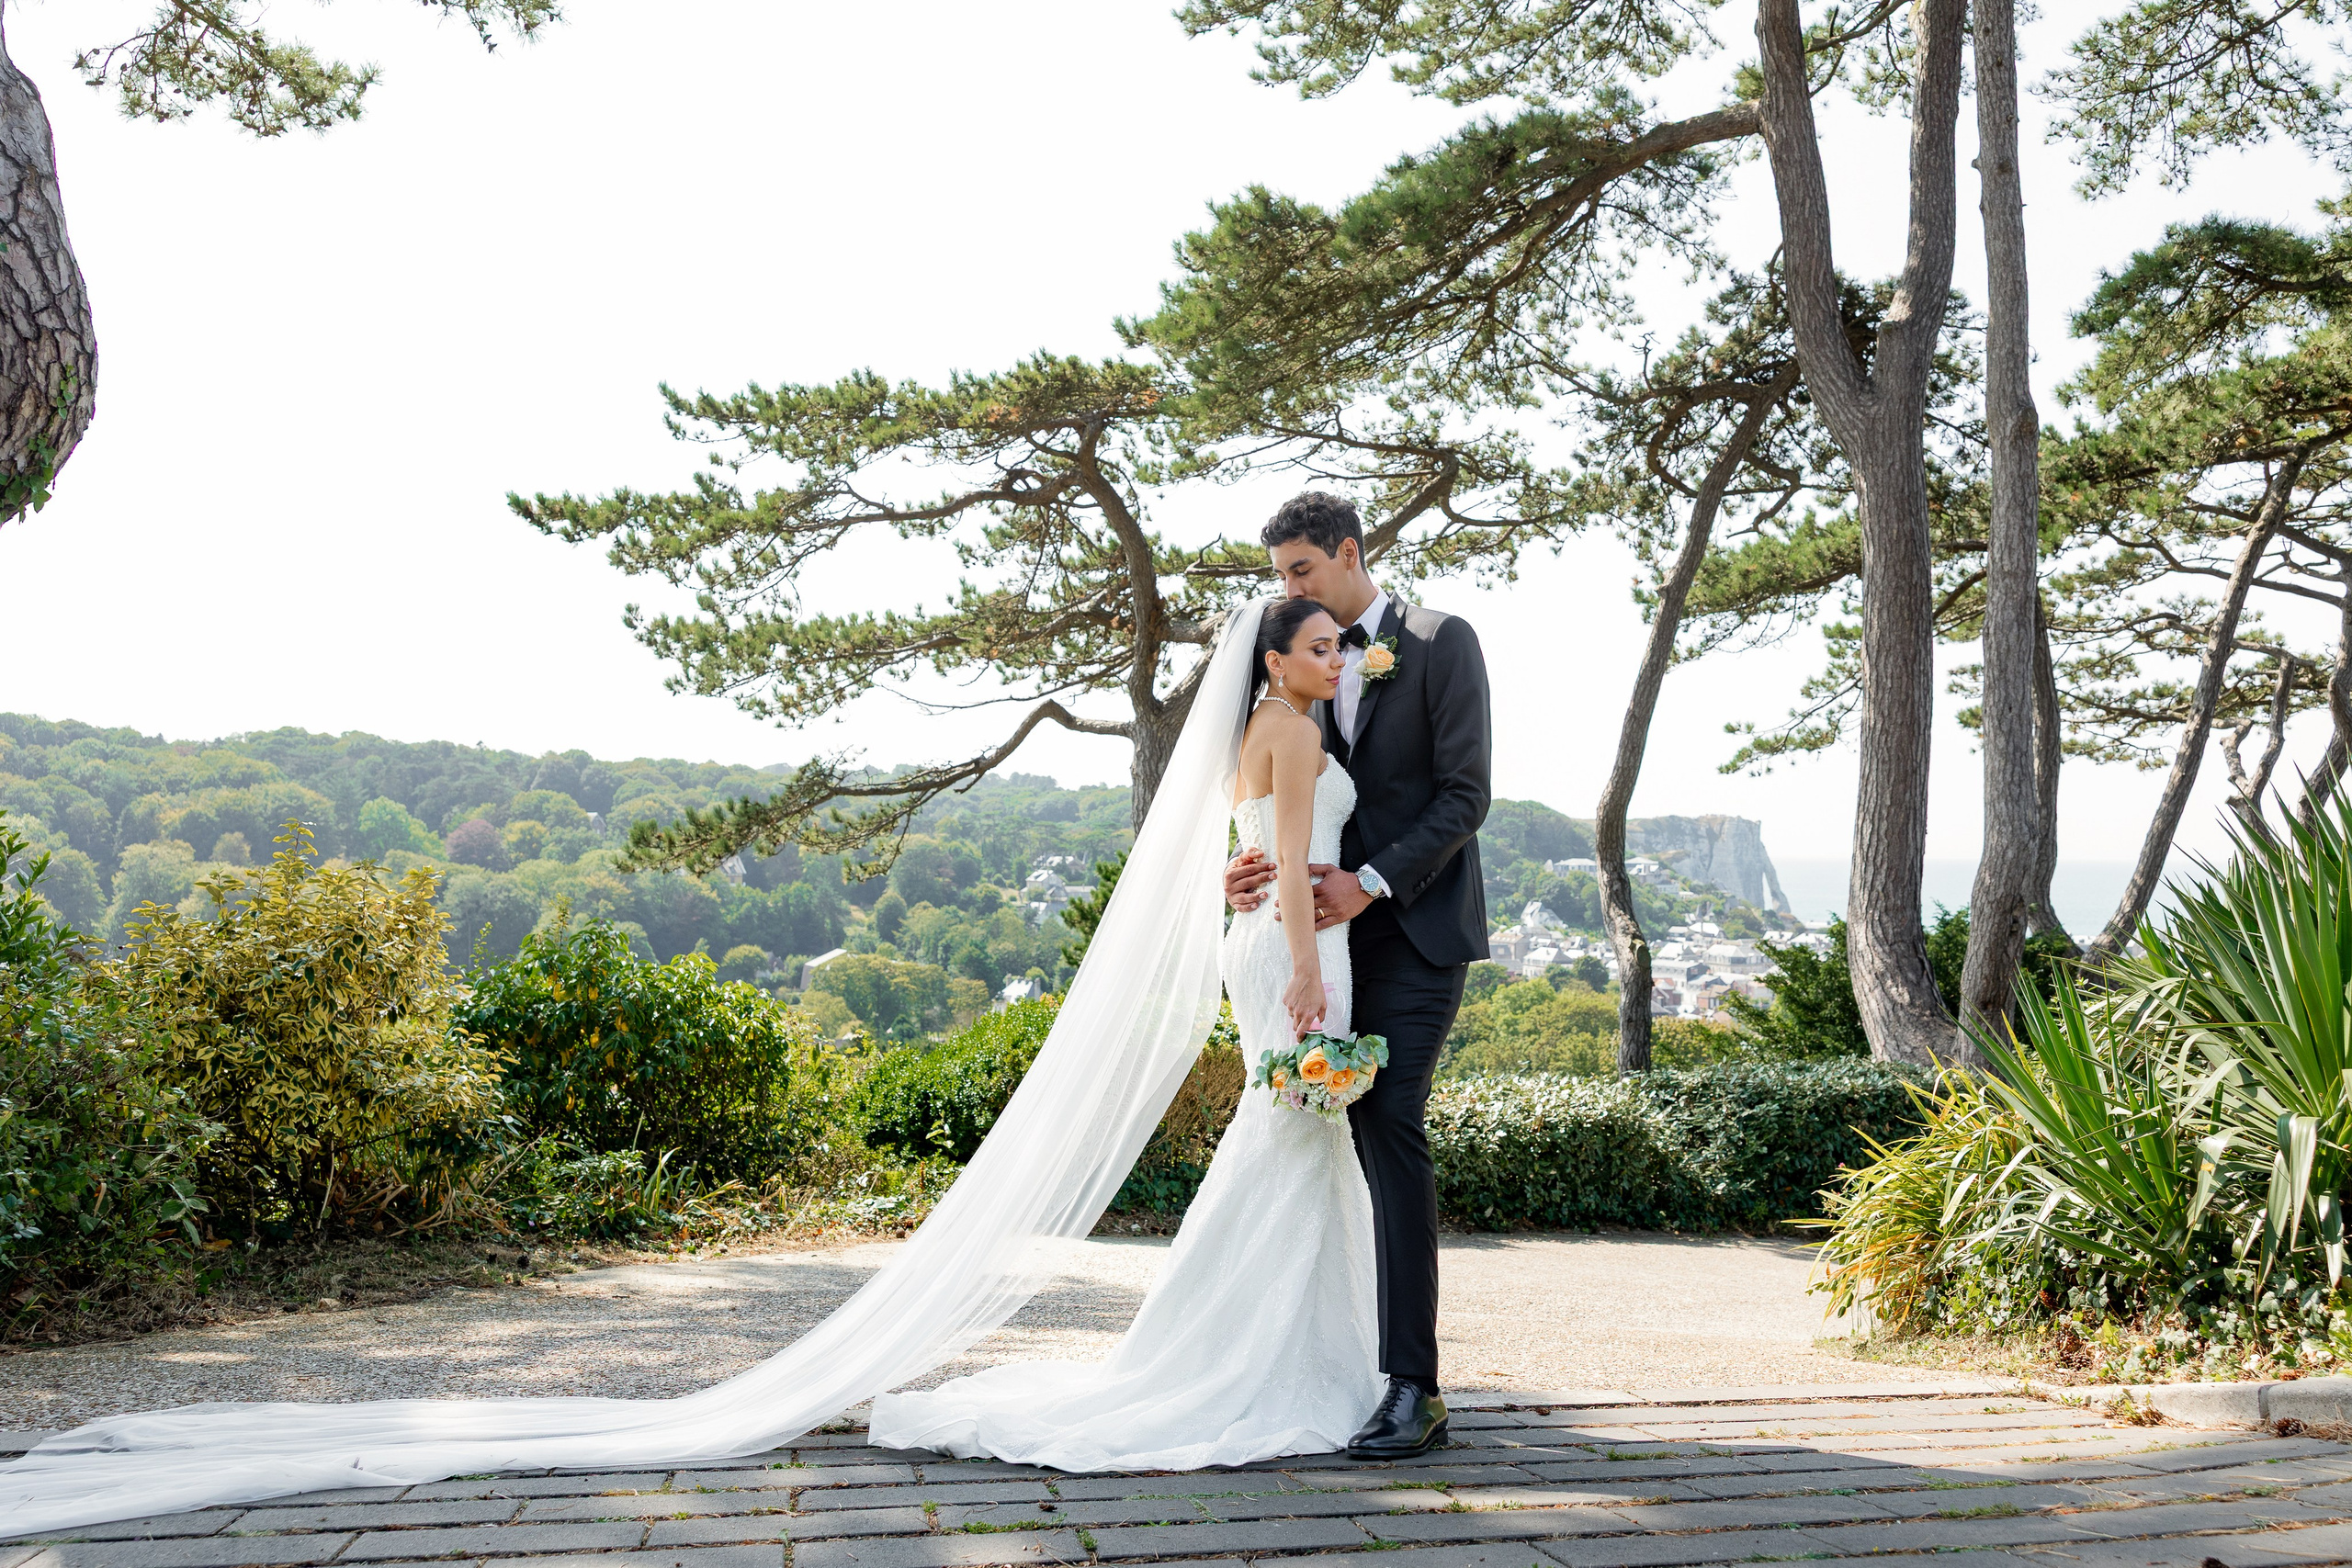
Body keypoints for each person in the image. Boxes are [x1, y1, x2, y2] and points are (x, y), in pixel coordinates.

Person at [870, 595, 1382, 1468]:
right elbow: (1289, 859)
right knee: (1297, 1133)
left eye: (1340, 648)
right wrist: (1304, 965)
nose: (1337, 661)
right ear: (1273, 661)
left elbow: (1254, 843)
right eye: (1320, 648)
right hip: (1299, 947)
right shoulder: (1294, 733)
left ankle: (1266, 1344)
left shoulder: (1256, 729)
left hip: (1259, 940)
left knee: (1289, 1134)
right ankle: (1264, 1358)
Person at [1224, 491, 1493, 1459]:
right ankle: (1297, 1365)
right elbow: (1278, 795)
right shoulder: (1298, 666)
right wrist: (1247, 862)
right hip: (1322, 945)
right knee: (1306, 1132)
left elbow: (1467, 793)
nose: (1286, 592)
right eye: (1280, 578)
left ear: (1345, 554)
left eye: (1299, 571)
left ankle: (1412, 1387)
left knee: (1386, 1119)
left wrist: (1369, 884)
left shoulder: (1439, 640)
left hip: (1415, 931)